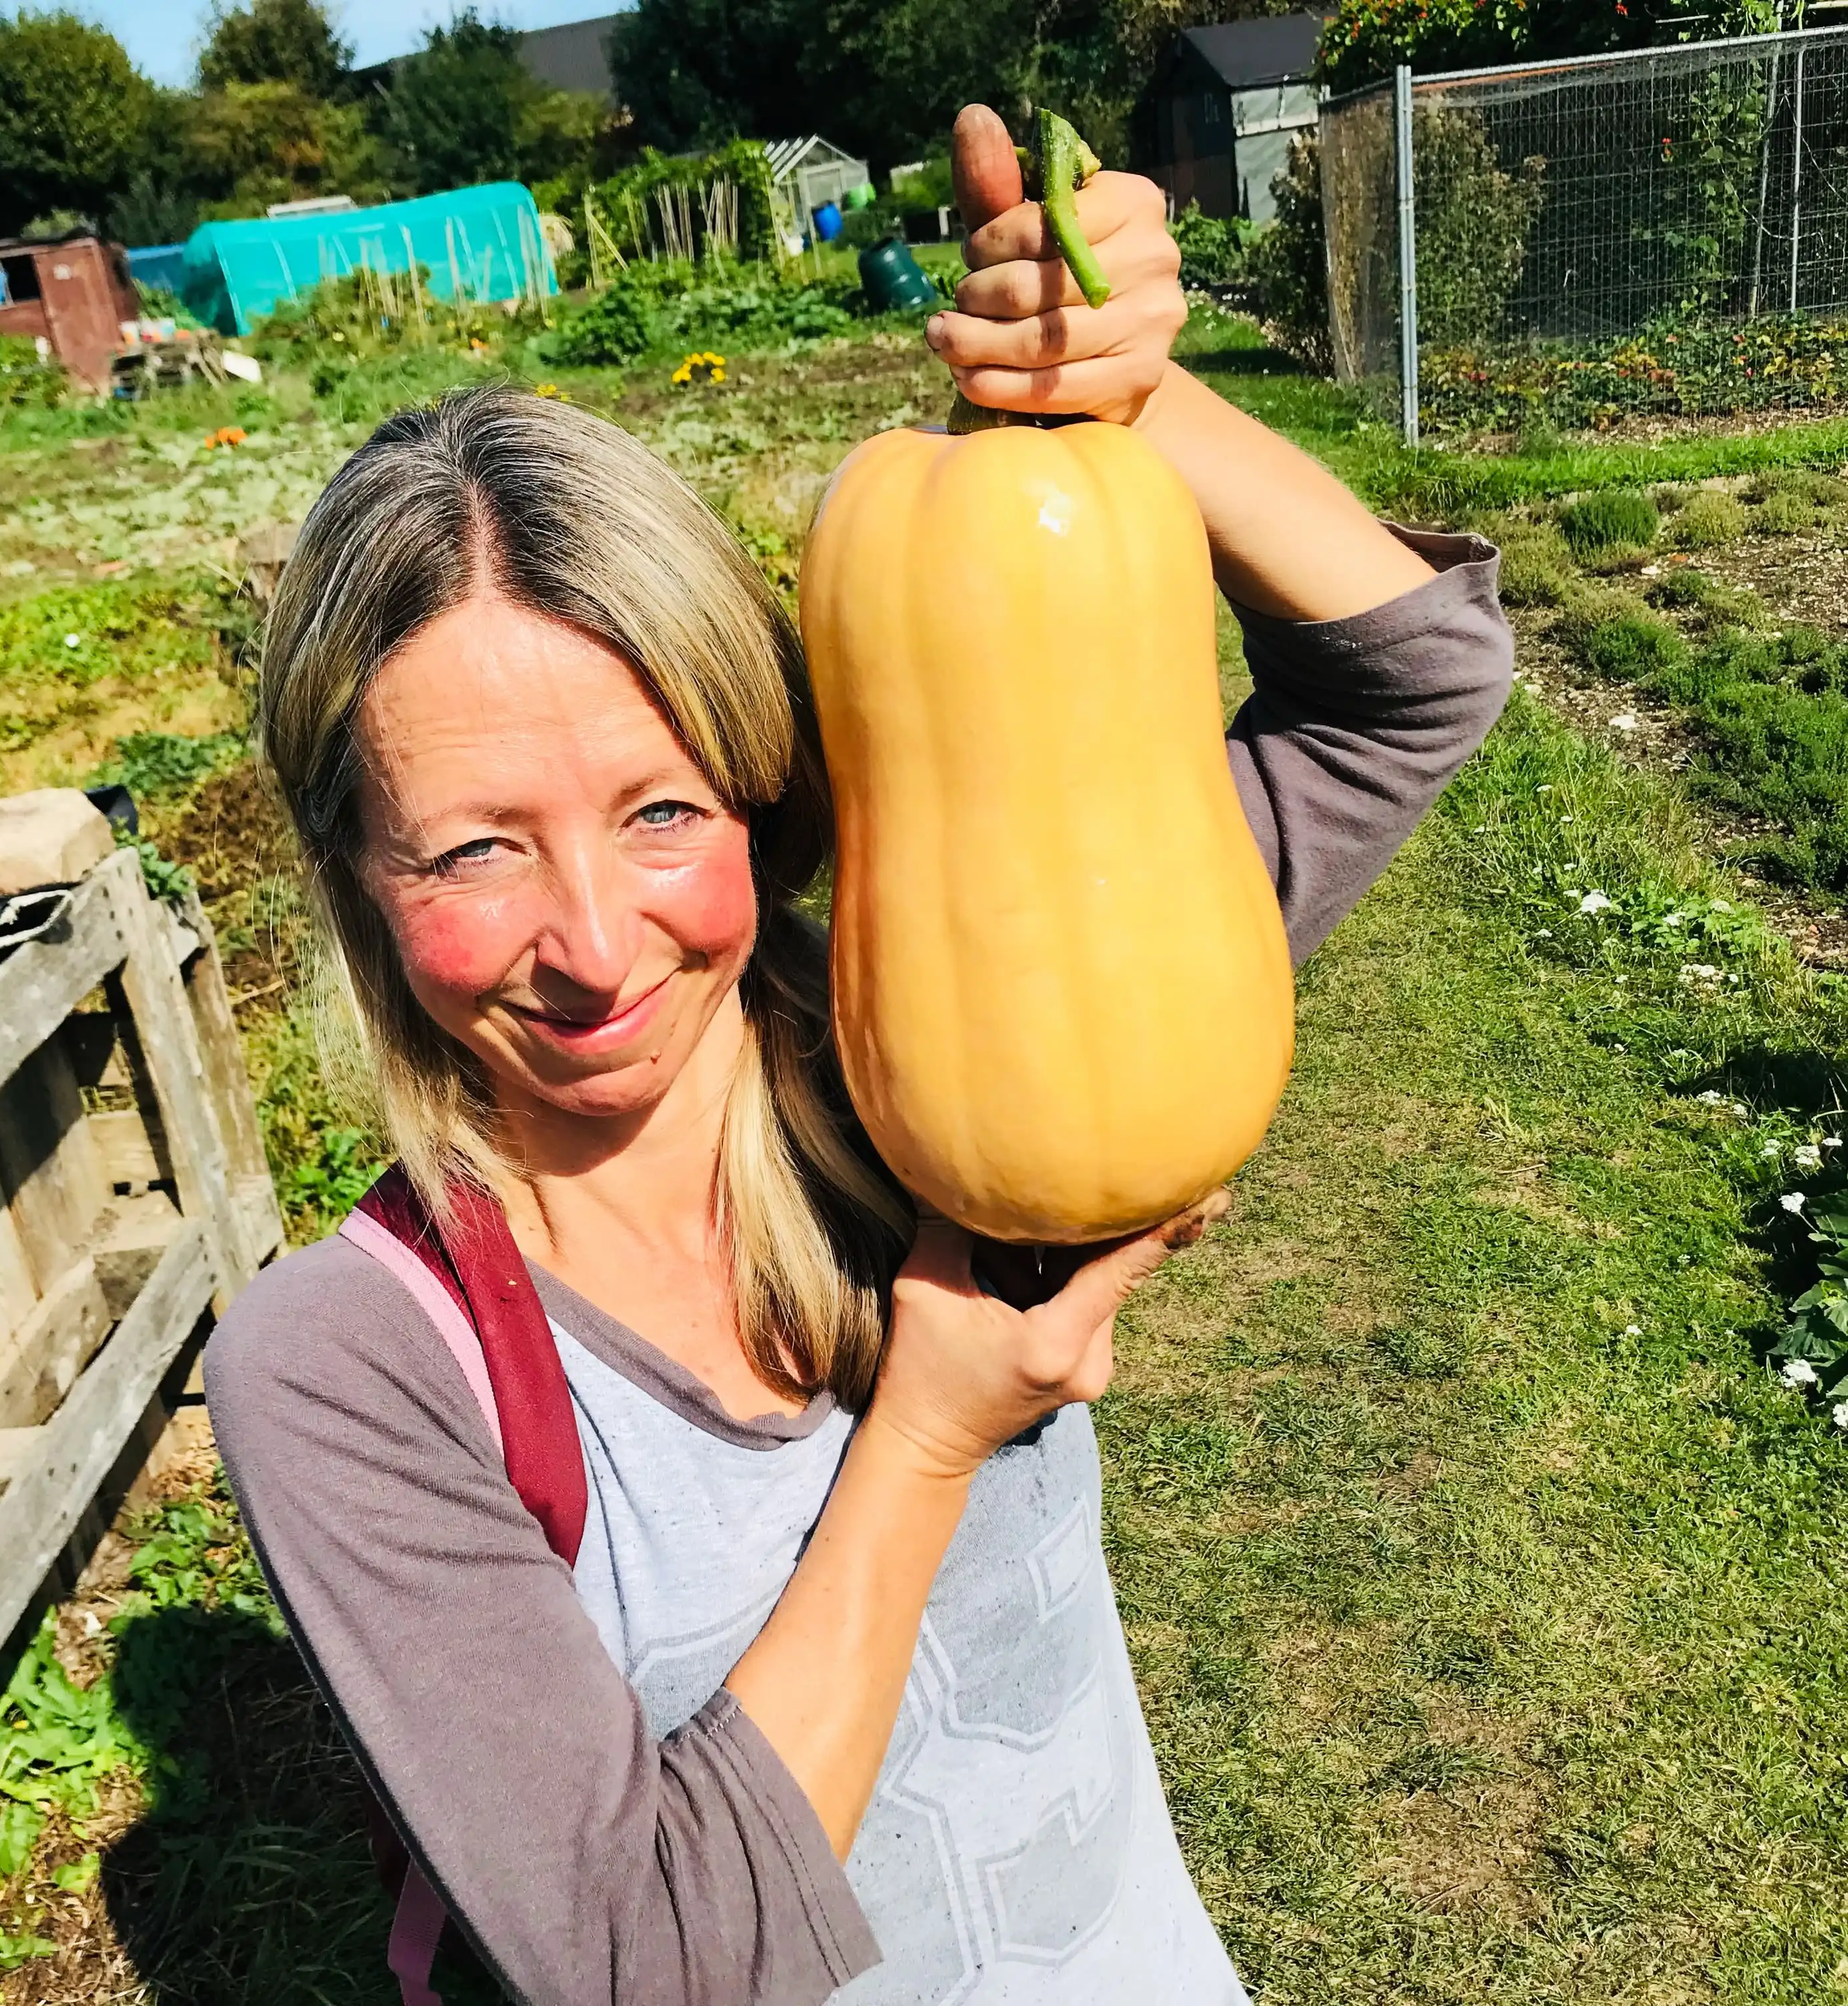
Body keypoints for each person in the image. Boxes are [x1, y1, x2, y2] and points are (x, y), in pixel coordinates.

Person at [206, 105, 1512, 2005]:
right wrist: (933, 1428)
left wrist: (1118, 398)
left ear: (762, 786)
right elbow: (639, 1960)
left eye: (661, 812)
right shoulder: (346, 1373)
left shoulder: (933, 1026)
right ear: (355, 874)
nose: (591, 947)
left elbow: (1419, 679)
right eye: (479, 848)